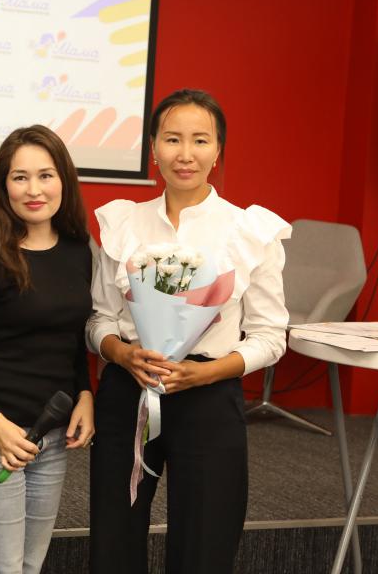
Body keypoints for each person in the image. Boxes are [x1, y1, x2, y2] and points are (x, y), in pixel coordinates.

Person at [87, 88, 290, 573]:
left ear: (218, 151)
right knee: (114, 539)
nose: (185, 153)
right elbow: (99, 321)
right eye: (172, 139)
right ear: (153, 149)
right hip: (129, 389)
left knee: (205, 543)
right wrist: (121, 354)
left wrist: (206, 373)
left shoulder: (249, 231)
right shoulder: (123, 223)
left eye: (200, 140)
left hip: (209, 394)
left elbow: (270, 336)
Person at [0, 125, 95, 574]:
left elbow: (72, 340)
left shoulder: (79, 252)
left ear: (64, 180)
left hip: (50, 438)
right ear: (3, 186)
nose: (33, 189)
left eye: (45, 175)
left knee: (28, 566)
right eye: (20, 177)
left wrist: (85, 394)